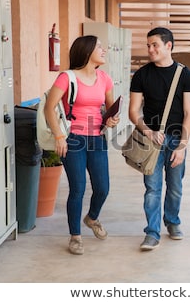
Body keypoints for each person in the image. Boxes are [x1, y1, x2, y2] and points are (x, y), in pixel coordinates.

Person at [44, 35, 120, 255]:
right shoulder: (66, 78)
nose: (103, 50)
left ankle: (92, 218)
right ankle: (75, 236)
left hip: (97, 138)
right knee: (77, 188)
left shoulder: (105, 78)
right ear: (87, 52)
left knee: (103, 188)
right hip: (73, 139)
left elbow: (109, 110)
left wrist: (111, 120)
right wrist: (59, 136)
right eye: (99, 46)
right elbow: (50, 108)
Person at [128, 27, 190, 251]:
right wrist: (148, 131)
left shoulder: (185, 74)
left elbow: (189, 113)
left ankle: (172, 221)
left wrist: (183, 146)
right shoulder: (141, 75)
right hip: (152, 142)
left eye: (154, 45)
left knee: (175, 186)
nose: (150, 49)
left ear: (168, 46)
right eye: (148, 45)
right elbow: (133, 111)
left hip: (178, 139)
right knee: (152, 188)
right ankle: (152, 232)